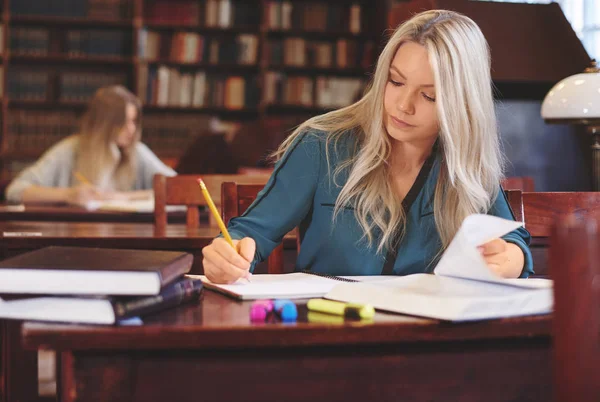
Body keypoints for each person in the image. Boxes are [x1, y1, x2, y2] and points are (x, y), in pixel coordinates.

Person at [202, 10, 533, 284]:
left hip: (425, 341)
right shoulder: (321, 145)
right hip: (328, 332)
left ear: (463, 105)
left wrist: (512, 257)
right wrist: (226, 254)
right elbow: (249, 232)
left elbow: (510, 241)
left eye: (429, 95)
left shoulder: (464, 162)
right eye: (396, 81)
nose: (403, 105)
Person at [5, 85, 176, 206]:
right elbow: (16, 190)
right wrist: (68, 195)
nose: (131, 129)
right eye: (122, 122)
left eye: (133, 121)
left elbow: (178, 188)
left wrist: (120, 197)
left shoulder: (137, 152)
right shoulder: (70, 149)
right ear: (104, 123)